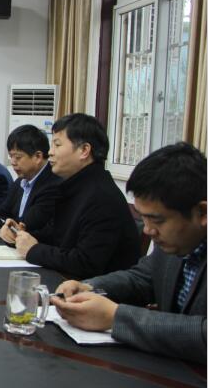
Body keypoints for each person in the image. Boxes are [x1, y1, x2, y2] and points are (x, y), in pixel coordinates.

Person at [51, 143, 205, 363]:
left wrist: (115, 317)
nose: (148, 230)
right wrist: (89, 287)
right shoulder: (175, 241)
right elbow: (142, 278)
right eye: (144, 218)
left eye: (157, 220)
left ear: (202, 212)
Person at [11, 113, 140, 278]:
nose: (50, 152)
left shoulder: (101, 197)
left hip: (92, 289)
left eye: (57, 145)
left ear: (84, 150)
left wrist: (34, 250)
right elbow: (56, 237)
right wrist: (20, 236)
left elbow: (85, 263)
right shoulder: (74, 186)